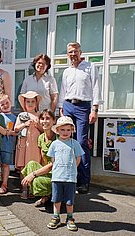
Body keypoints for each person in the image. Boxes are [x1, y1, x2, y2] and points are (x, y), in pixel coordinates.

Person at [58, 42, 102, 194]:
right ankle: (69, 178)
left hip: (83, 107)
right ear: (68, 54)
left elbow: (96, 87)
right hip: (68, 106)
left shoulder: (90, 67)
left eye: (75, 51)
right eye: (70, 52)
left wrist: (95, 109)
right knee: (67, 141)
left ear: (80, 52)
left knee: (82, 142)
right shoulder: (66, 71)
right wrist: (60, 108)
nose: (73, 54)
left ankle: (84, 182)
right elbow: (63, 90)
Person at [21, 109, 56, 207]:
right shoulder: (41, 138)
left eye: (48, 118)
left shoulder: (57, 138)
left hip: (57, 172)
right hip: (47, 170)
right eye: (42, 118)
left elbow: (53, 164)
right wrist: (37, 172)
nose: (44, 121)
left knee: (36, 180)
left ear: (54, 121)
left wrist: (34, 174)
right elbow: (43, 159)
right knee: (31, 164)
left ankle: (49, 195)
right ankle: (46, 194)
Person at [14, 91, 43, 199]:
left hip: (35, 145)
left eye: (32, 101)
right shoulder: (22, 115)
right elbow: (15, 129)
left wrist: (37, 125)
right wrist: (24, 124)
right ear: (24, 103)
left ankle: (34, 188)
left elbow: (43, 130)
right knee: (23, 165)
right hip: (24, 143)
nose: (30, 104)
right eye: (28, 101)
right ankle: (24, 189)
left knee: (35, 163)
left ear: (36, 103)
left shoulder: (39, 115)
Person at [0, 94, 18, 194]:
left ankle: (4, 184)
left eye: (7, 103)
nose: (5, 105)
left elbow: (16, 132)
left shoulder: (15, 118)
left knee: (5, 165)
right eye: (2, 104)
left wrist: (10, 132)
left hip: (8, 145)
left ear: (10, 103)